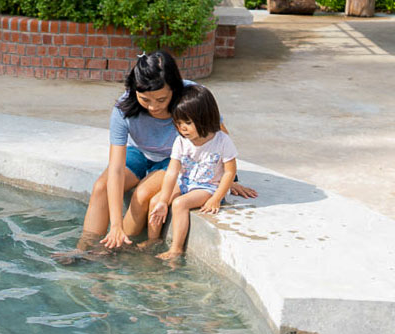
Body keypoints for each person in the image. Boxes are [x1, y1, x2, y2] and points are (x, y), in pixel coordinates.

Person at [51, 51, 255, 264]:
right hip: (139, 153)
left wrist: (231, 178)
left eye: (161, 99)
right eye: (145, 99)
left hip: (175, 159)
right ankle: (84, 249)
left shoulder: (192, 97)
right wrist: (116, 224)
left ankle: (118, 249)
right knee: (101, 186)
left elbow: (219, 136)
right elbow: (116, 169)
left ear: (174, 89)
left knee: (142, 193)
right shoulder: (123, 108)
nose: (153, 106)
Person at [147, 84, 237, 260]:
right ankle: (153, 240)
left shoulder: (222, 141)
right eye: (179, 123)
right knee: (155, 200)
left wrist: (216, 199)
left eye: (188, 122)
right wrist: (164, 201)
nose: (183, 128)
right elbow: (172, 172)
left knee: (180, 204)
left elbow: (229, 172)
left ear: (204, 118)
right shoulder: (181, 141)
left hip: (208, 187)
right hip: (185, 181)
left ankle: (176, 250)